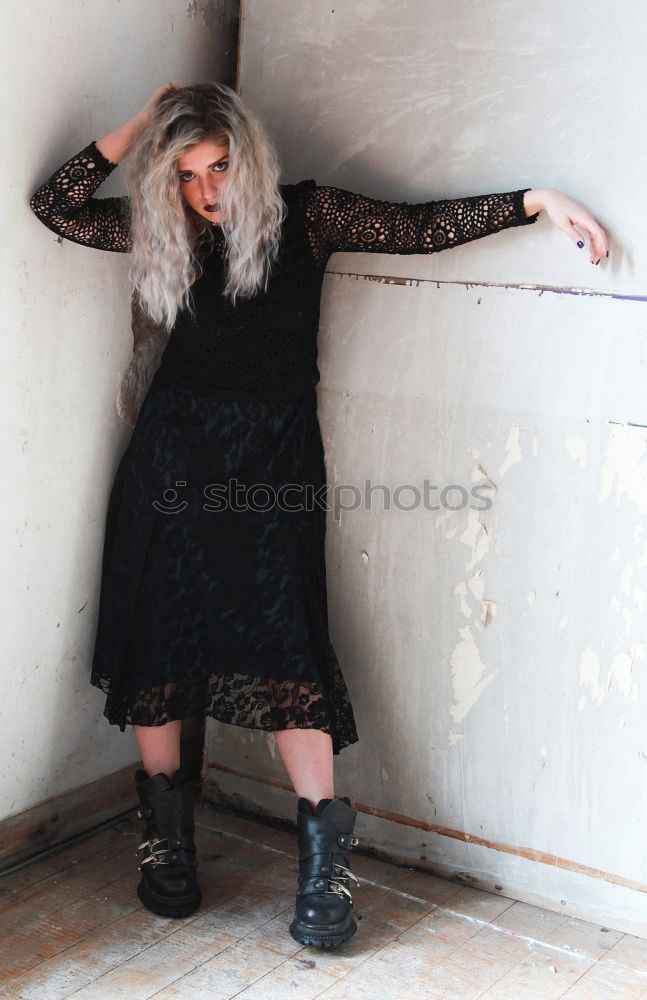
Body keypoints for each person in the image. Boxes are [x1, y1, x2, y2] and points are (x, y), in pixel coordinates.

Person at [29, 81, 609, 950]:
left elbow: (415, 229)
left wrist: (537, 201)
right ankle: (168, 844)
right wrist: (144, 126)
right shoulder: (165, 228)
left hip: (271, 466)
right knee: (160, 637)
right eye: (185, 174)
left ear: (248, 155)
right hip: (173, 462)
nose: (206, 191)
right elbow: (55, 206)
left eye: (218, 165)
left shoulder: (307, 217)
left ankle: (322, 868)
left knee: (286, 645)